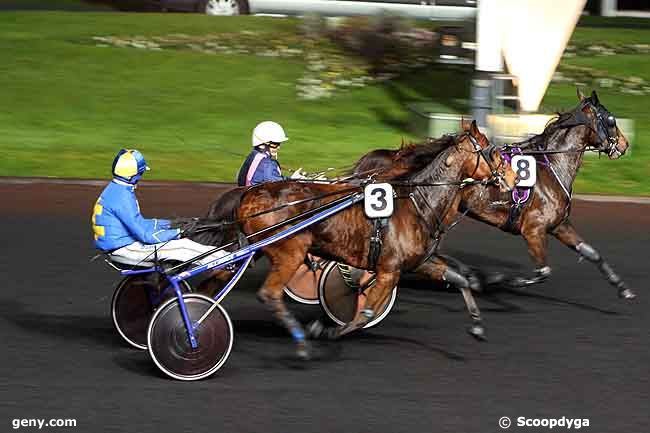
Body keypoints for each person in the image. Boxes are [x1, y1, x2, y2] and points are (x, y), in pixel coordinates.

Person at [92, 149, 226, 266]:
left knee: (184, 244)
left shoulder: (116, 190)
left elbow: (140, 224)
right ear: (135, 175)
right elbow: (145, 235)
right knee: (183, 249)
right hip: (125, 249)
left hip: (122, 245)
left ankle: (223, 258)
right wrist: (179, 232)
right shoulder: (122, 197)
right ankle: (224, 261)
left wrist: (170, 224)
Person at [237, 121, 304, 186]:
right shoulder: (268, 163)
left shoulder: (253, 154)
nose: (278, 147)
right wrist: (294, 179)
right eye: (275, 144)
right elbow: (278, 184)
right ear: (262, 145)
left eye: (279, 144)